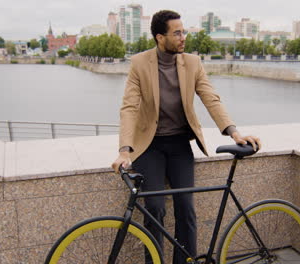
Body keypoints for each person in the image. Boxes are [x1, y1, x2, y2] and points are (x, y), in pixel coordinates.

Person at [112, 10, 261, 264]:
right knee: (155, 208)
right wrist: (125, 150)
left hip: (180, 144)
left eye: (184, 31)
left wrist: (234, 132)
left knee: (186, 210)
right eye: (177, 33)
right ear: (160, 37)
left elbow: (210, 98)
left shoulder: (192, 63)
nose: (183, 37)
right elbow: (129, 108)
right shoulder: (140, 64)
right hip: (150, 146)